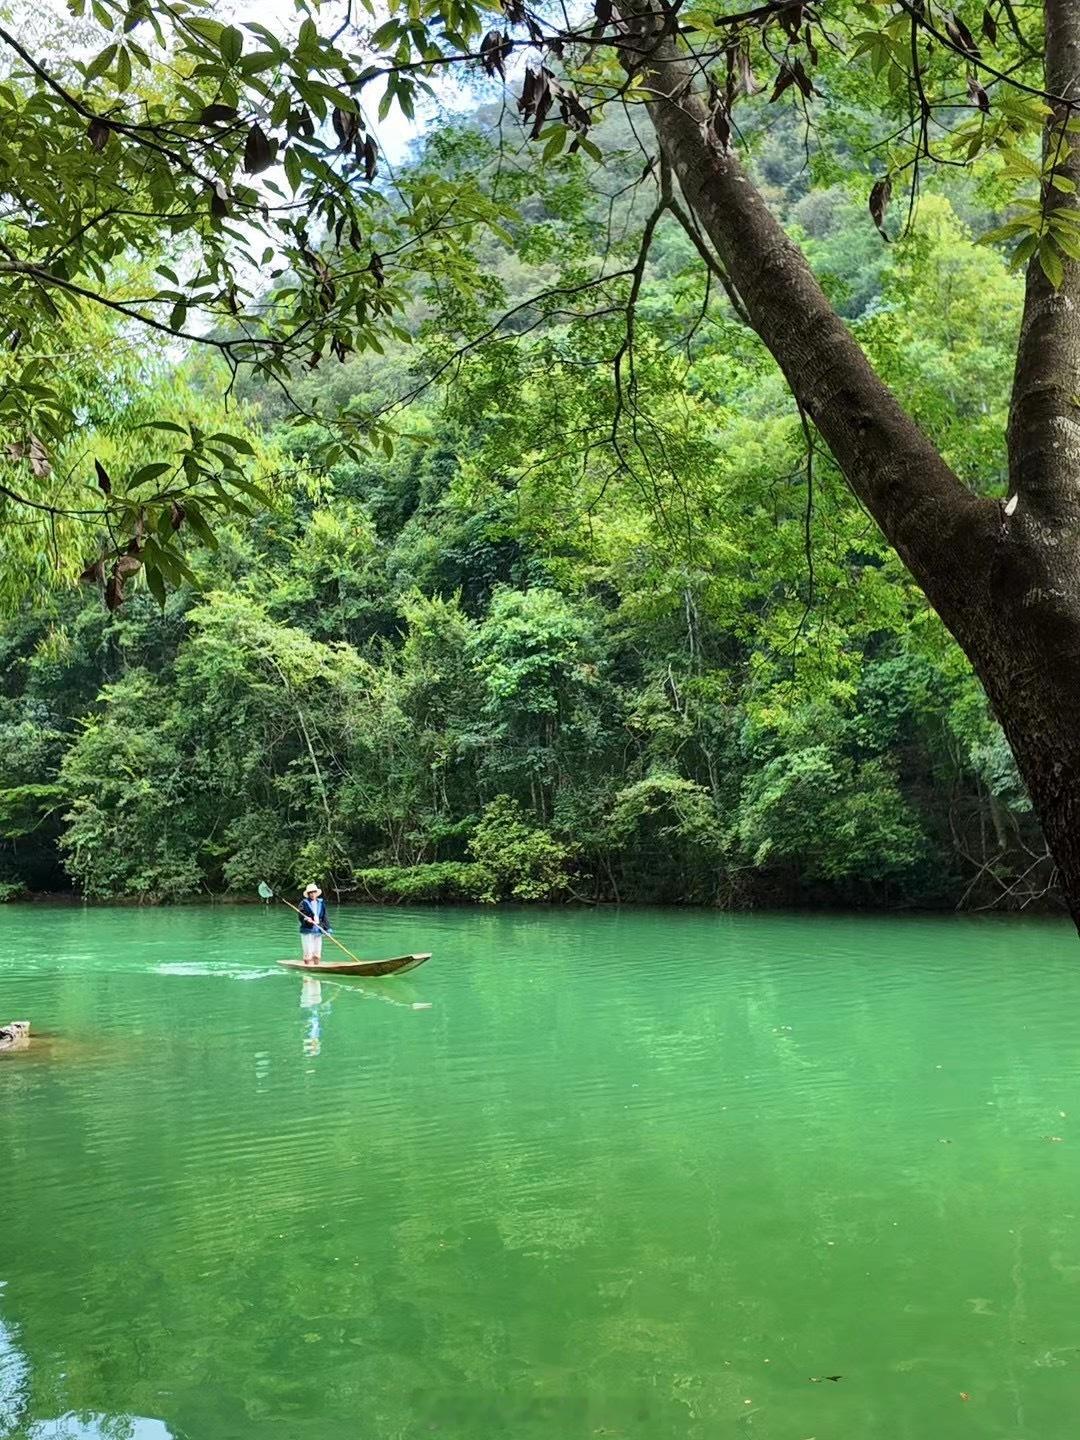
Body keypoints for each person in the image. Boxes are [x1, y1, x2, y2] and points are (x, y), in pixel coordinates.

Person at [298, 883, 331, 965]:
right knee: (308, 954)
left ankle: (317, 968)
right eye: (310, 893)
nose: (312, 894)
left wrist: (327, 929)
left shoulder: (321, 902)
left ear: (316, 893)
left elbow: (324, 917)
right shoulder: (303, 903)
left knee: (317, 954)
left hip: (318, 930)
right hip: (307, 930)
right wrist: (306, 919)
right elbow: (301, 916)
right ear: (308, 894)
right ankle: (307, 973)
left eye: (314, 892)